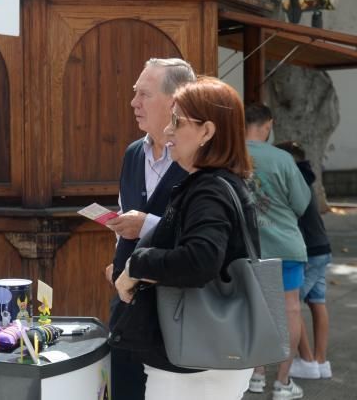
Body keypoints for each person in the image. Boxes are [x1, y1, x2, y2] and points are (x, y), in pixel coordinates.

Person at [112, 76, 259, 399]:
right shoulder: (217, 184)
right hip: (204, 353)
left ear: (207, 132)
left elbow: (199, 260)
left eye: (177, 121)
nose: (167, 131)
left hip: (195, 359)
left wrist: (136, 264)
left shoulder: (208, 190)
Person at [106, 57, 196, 400]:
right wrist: (118, 251)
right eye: (134, 93)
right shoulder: (133, 153)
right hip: (127, 310)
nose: (133, 103)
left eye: (143, 94)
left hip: (176, 313)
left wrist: (147, 225)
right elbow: (124, 212)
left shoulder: (198, 159)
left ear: (174, 101)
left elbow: (202, 237)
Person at [245, 104, 310, 400]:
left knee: (255, 309)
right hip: (285, 245)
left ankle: (255, 374)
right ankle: (282, 382)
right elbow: (301, 203)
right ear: (268, 125)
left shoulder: (230, 157)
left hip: (248, 248)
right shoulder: (282, 158)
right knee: (290, 310)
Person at [275, 141, 332, 381]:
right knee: (317, 302)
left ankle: (307, 361)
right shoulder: (307, 177)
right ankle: (320, 361)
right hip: (322, 248)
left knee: (292, 305)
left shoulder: (292, 180)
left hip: (307, 250)